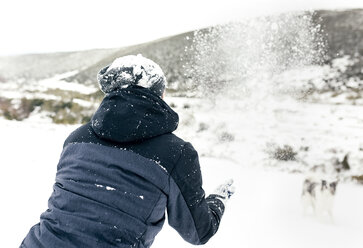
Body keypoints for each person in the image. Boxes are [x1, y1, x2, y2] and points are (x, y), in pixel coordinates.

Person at [21, 54, 235, 248]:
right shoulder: (176, 154)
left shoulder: (76, 138)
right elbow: (198, 232)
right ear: (158, 93)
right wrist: (218, 201)